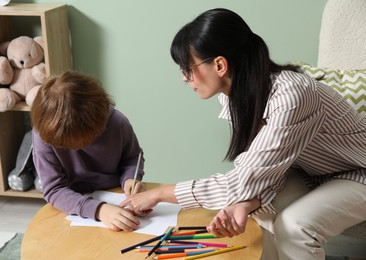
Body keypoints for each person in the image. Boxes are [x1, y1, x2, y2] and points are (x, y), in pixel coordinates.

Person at [121, 8, 366, 259]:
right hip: (310, 173)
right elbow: (264, 169)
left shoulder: (292, 95)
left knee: (295, 228)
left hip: (358, 173)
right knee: (258, 215)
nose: (185, 78)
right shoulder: (234, 99)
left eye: (187, 67)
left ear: (219, 64)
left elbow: (242, 180)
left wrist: (160, 193)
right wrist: (248, 203)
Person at [31, 70, 145, 232]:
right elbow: (54, 190)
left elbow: (133, 157)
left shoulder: (117, 123)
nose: (76, 149)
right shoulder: (45, 134)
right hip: (71, 203)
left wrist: (130, 179)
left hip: (118, 196)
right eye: (67, 146)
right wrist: (99, 210)